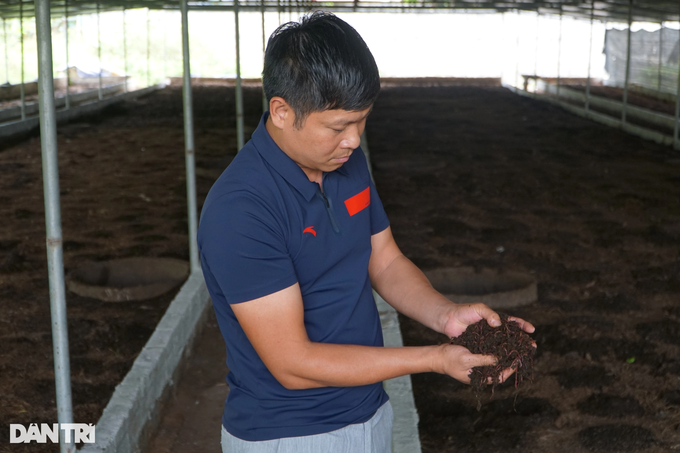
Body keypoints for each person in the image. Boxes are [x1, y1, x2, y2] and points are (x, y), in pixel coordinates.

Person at [197, 11, 534, 453]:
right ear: (281, 111)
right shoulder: (241, 210)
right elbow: (293, 364)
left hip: (370, 410)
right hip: (292, 435)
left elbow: (386, 259)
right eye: (338, 126)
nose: (354, 140)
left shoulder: (344, 162)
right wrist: (433, 359)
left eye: (362, 121)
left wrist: (446, 316)